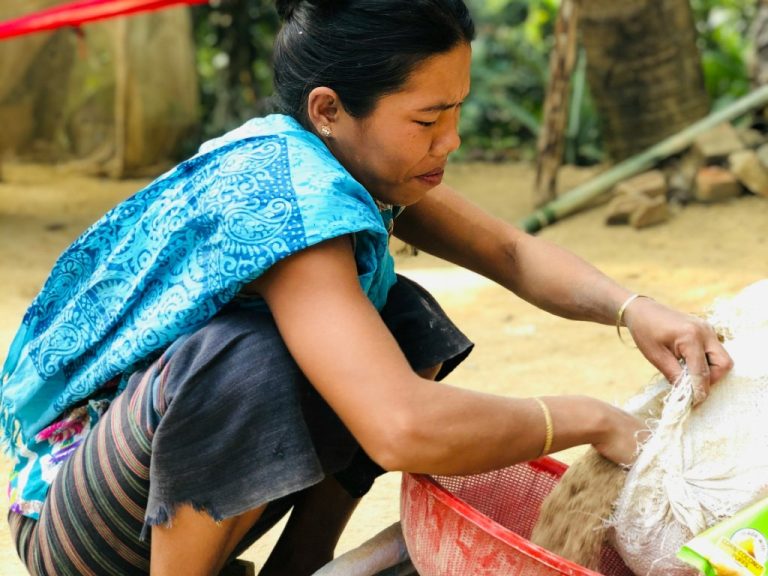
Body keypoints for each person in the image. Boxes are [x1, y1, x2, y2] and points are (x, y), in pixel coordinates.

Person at [1, 0, 732, 575]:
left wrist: (633, 310)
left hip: (142, 481)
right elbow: (400, 426)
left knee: (405, 317)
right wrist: (595, 419)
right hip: (76, 514)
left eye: (457, 111)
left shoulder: (348, 163)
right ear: (328, 109)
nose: (450, 140)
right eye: (427, 118)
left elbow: (509, 250)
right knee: (242, 360)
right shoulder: (286, 202)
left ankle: (302, 567)